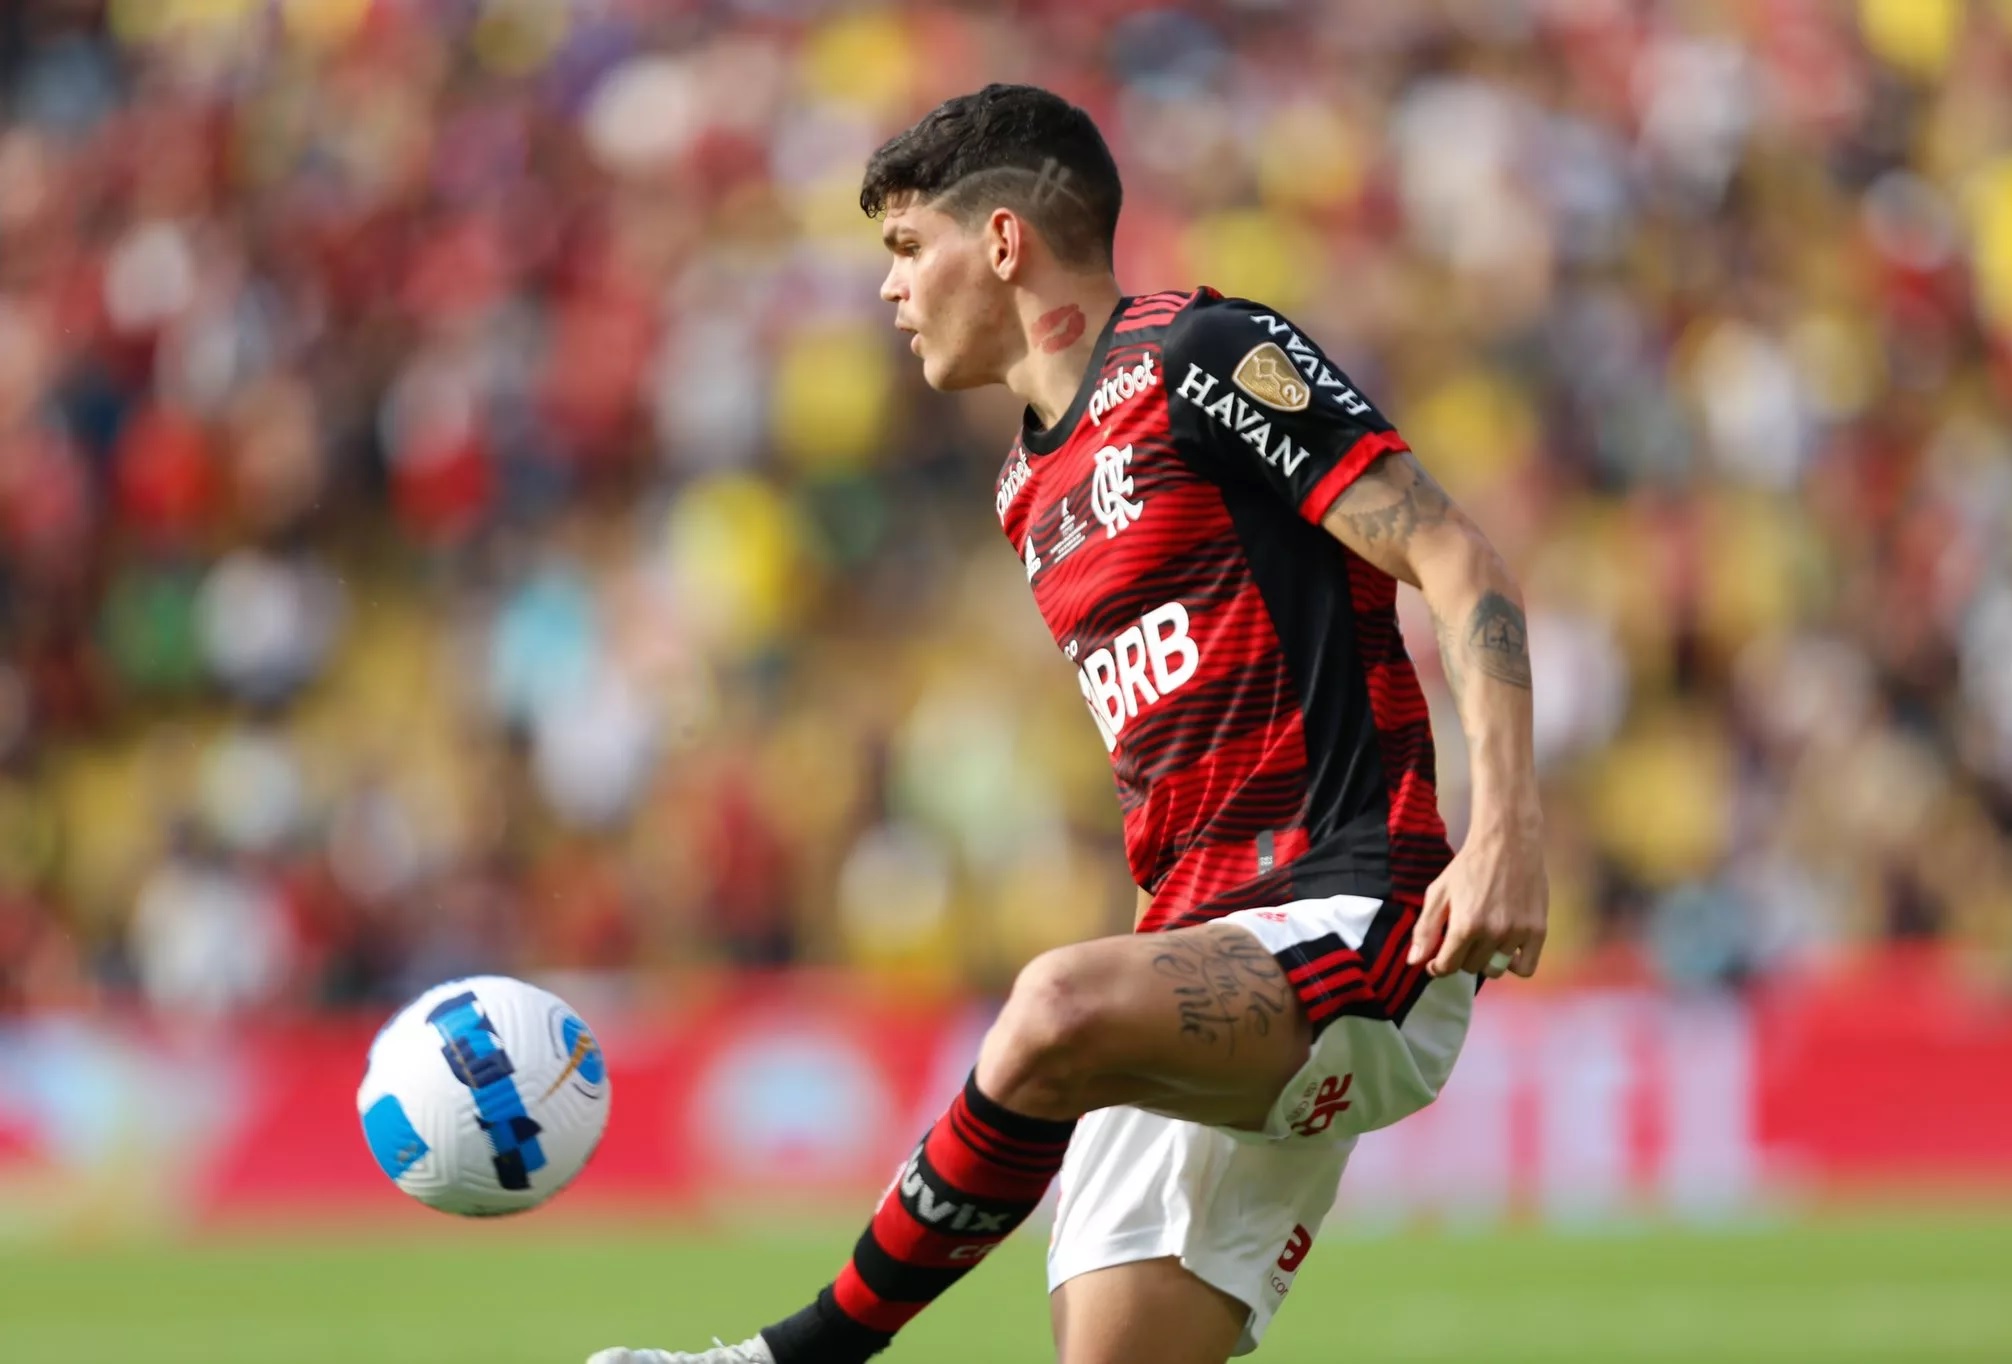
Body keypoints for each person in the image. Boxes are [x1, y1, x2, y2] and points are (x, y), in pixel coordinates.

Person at [590, 83, 1548, 1364]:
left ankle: (788, 1357)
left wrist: (1503, 832)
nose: (888, 291)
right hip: (1201, 958)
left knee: (1049, 1007)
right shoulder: (1023, 484)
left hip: (1352, 919)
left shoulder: (1199, 359)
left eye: (904, 248)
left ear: (999, 242)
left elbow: (1455, 555)